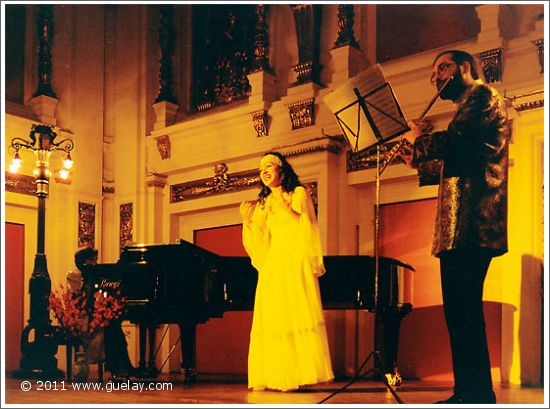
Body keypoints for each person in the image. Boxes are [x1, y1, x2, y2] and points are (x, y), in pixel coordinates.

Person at [401, 50, 509, 404]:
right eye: (433, 73)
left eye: (442, 68)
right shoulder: (470, 106)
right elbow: (461, 161)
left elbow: (458, 142)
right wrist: (418, 161)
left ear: (465, 67)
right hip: (461, 227)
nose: (436, 77)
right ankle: (470, 392)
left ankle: (475, 393)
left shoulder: (481, 96)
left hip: (471, 225)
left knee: (463, 312)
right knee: (460, 312)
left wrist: (420, 142)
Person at [239, 152, 334, 392]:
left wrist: (286, 207)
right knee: (274, 315)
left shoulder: (297, 193)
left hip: (294, 259)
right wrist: (248, 222)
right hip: (274, 263)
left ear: (283, 171)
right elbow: (260, 240)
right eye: (261, 169)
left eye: (269, 166)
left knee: (294, 312)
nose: (265, 171)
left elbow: (308, 224)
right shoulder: (264, 203)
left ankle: (297, 375)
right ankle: (274, 375)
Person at [67, 246, 136, 380]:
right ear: (83, 261)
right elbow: (79, 301)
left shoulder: (96, 274)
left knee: (113, 325)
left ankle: (118, 368)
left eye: (95, 259)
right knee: (112, 327)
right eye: (91, 259)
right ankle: (119, 368)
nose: (95, 262)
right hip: (83, 318)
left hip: (94, 316)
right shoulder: (75, 275)